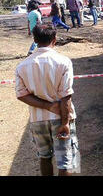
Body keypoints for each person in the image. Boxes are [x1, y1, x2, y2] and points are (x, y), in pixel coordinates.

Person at [15, 24, 80, 176]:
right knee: (65, 162)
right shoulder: (63, 62)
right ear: (55, 39)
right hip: (60, 118)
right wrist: (64, 123)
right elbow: (66, 96)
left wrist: (47, 106)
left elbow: (21, 95)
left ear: (35, 39)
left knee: (44, 157)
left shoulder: (22, 66)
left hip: (38, 119)